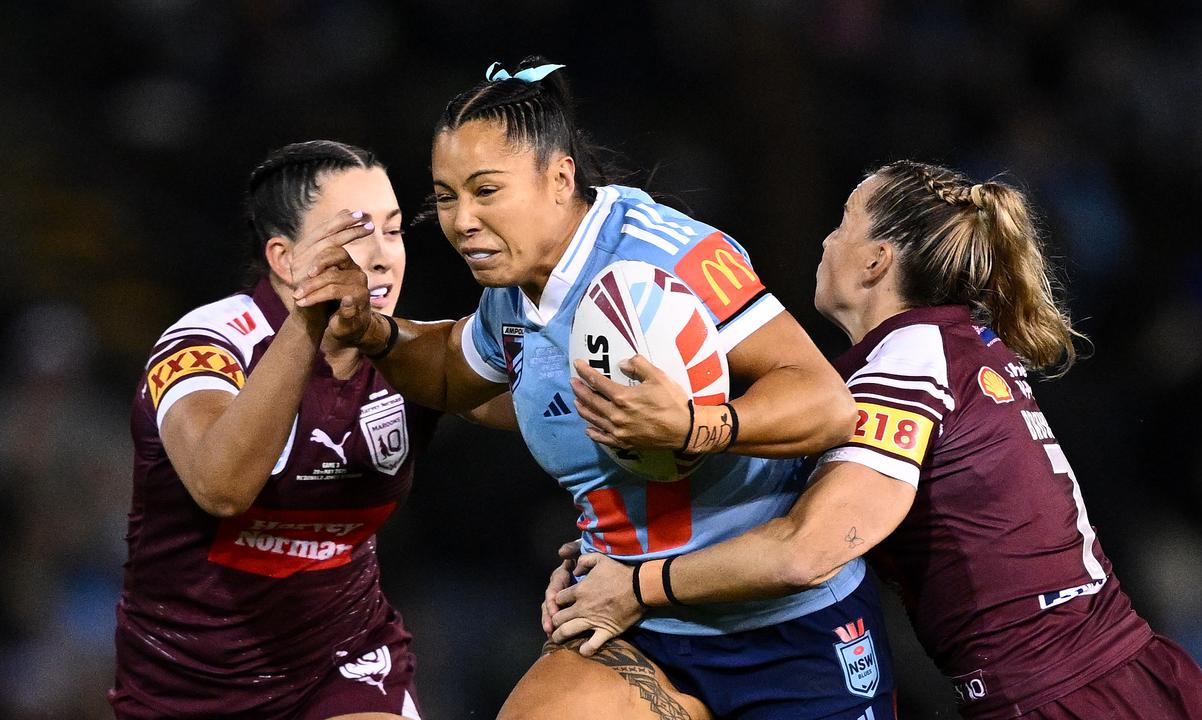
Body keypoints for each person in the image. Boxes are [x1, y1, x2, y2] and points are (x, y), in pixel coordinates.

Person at [295, 58, 897, 719]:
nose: (462, 220)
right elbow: (448, 372)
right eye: (444, 196)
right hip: (635, 624)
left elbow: (826, 403)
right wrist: (375, 333)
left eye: (485, 191)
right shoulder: (514, 292)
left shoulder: (669, 258)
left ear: (559, 179)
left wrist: (698, 427)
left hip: (788, 628)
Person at [545, 161, 1202, 719]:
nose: (824, 242)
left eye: (843, 225)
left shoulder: (908, 359)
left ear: (876, 261)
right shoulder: (951, 348)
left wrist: (638, 585)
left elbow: (808, 549)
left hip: (1071, 700)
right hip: (1112, 682)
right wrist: (619, 543)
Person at [112, 140, 434, 720]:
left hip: (345, 664)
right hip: (183, 687)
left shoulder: (412, 354)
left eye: (393, 230)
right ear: (286, 261)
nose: (384, 257)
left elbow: (551, 406)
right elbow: (222, 486)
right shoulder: (206, 346)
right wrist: (311, 320)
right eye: (356, 235)